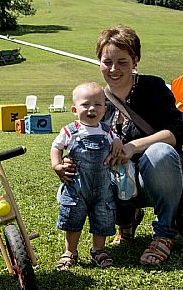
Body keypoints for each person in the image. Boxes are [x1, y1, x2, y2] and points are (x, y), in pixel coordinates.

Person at [97, 25, 183, 266]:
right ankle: (126, 222)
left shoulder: (153, 88)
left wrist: (133, 146)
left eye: (122, 62)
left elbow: (176, 133)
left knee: (161, 152)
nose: (114, 69)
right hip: (119, 182)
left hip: (155, 178)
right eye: (107, 62)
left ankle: (164, 235)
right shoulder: (97, 99)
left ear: (135, 60)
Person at [50, 82, 123, 270]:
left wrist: (117, 143)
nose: (92, 109)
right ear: (75, 109)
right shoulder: (70, 131)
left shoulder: (107, 131)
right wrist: (57, 164)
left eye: (98, 104)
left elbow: (116, 142)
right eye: (85, 105)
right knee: (73, 218)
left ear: (104, 109)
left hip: (102, 189)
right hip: (76, 188)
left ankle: (98, 250)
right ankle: (70, 251)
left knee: (103, 217)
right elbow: (56, 147)